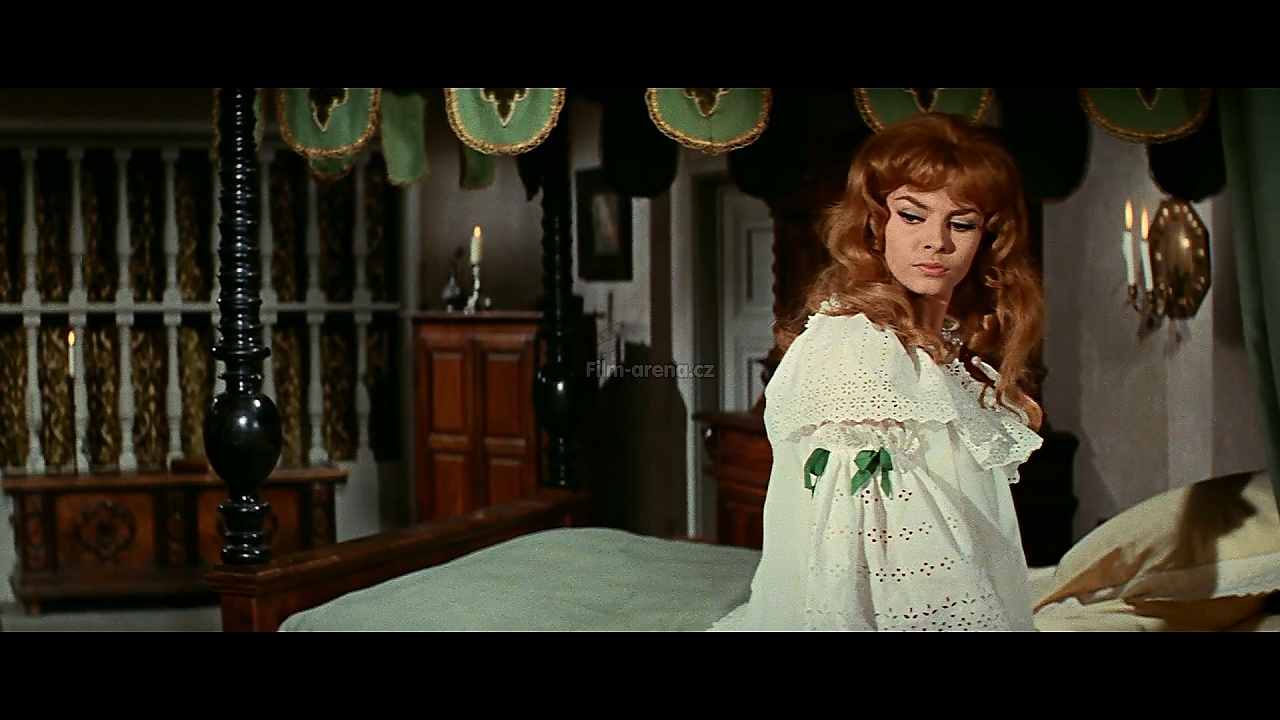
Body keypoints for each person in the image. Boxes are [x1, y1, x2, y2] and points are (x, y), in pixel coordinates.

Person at [709, 112, 1046, 631]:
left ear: (987, 237)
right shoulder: (858, 345)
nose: (936, 241)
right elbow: (856, 557)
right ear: (875, 222)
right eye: (912, 216)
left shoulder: (932, 350)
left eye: (961, 223)